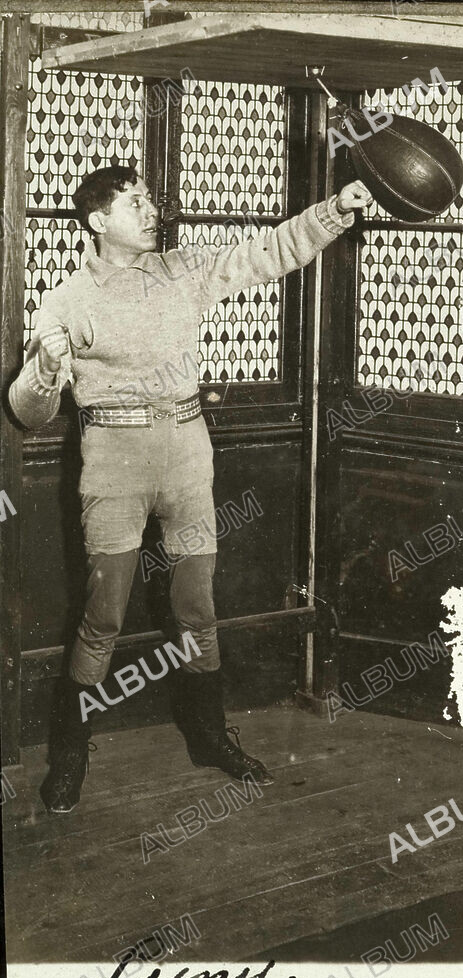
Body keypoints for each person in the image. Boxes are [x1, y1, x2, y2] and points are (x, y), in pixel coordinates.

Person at [8, 164, 372, 815]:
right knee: (103, 617)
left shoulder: (183, 270)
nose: (151, 210)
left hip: (186, 453)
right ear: (96, 221)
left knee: (196, 606)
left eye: (149, 199)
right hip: (113, 462)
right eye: (134, 202)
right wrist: (42, 371)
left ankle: (208, 738)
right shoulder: (64, 299)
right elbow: (28, 411)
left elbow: (269, 252)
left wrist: (335, 210)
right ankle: (69, 756)